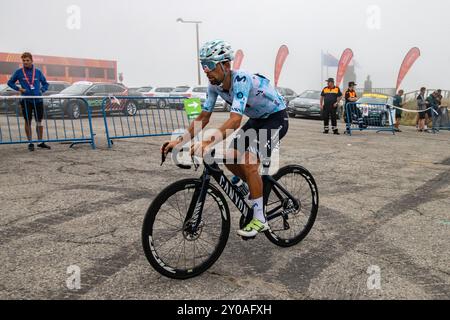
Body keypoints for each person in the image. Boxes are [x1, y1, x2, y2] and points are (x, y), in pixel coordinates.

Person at [161, 40, 289, 238]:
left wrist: (206, 142)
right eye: (205, 68)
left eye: (211, 67)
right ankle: (253, 186)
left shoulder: (241, 80)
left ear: (226, 65)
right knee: (230, 156)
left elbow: (235, 120)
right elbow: (203, 117)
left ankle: (260, 219)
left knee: (249, 162)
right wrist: (179, 142)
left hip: (276, 118)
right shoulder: (214, 87)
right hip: (256, 120)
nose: (207, 72)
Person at [7, 52, 50, 151]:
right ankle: (30, 142)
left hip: (38, 100)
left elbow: (45, 84)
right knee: (28, 121)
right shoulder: (19, 72)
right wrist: (19, 89)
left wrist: (41, 91)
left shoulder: (38, 72)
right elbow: (9, 82)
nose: (25, 62)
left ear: (32, 61)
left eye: (27, 60)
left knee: (39, 121)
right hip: (26, 101)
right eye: (24, 61)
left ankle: (40, 142)